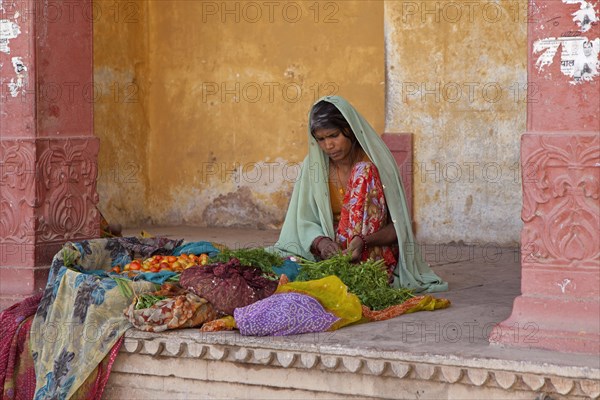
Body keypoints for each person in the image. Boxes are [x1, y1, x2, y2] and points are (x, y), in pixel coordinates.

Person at [274, 95, 447, 293]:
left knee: (363, 171)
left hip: (370, 256)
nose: (328, 145)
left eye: (333, 136)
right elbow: (302, 222)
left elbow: (398, 229)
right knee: (276, 271)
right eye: (320, 139)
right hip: (331, 256)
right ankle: (337, 272)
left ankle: (349, 274)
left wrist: (363, 241)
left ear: (350, 130)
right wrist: (322, 242)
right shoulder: (314, 166)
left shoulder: (376, 163)